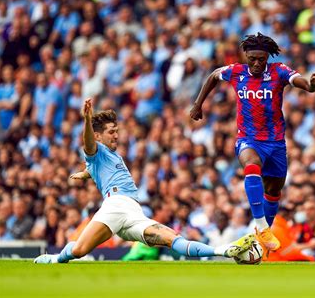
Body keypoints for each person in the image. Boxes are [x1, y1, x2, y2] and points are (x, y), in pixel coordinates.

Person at [34, 99, 255, 264]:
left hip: (133, 212)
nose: (116, 135)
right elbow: (89, 146)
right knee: (79, 250)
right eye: (111, 132)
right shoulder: (96, 149)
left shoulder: (109, 157)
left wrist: (84, 174)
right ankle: (54, 259)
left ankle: (225, 251)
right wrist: (86, 120)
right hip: (115, 205)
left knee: (173, 239)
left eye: (117, 131)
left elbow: (94, 169)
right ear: (98, 135)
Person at [190, 33, 315, 252]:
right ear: (246, 55)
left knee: (273, 192)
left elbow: (302, 83)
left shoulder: (278, 71)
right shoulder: (236, 72)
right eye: (252, 58)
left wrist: (311, 85)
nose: (256, 63)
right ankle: (261, 226)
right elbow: (214, 75)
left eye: (261, 59)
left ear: (267, 57)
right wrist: (198, 104)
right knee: (251, 166)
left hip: (276, 143)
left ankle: (261, 244)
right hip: (249, 139)